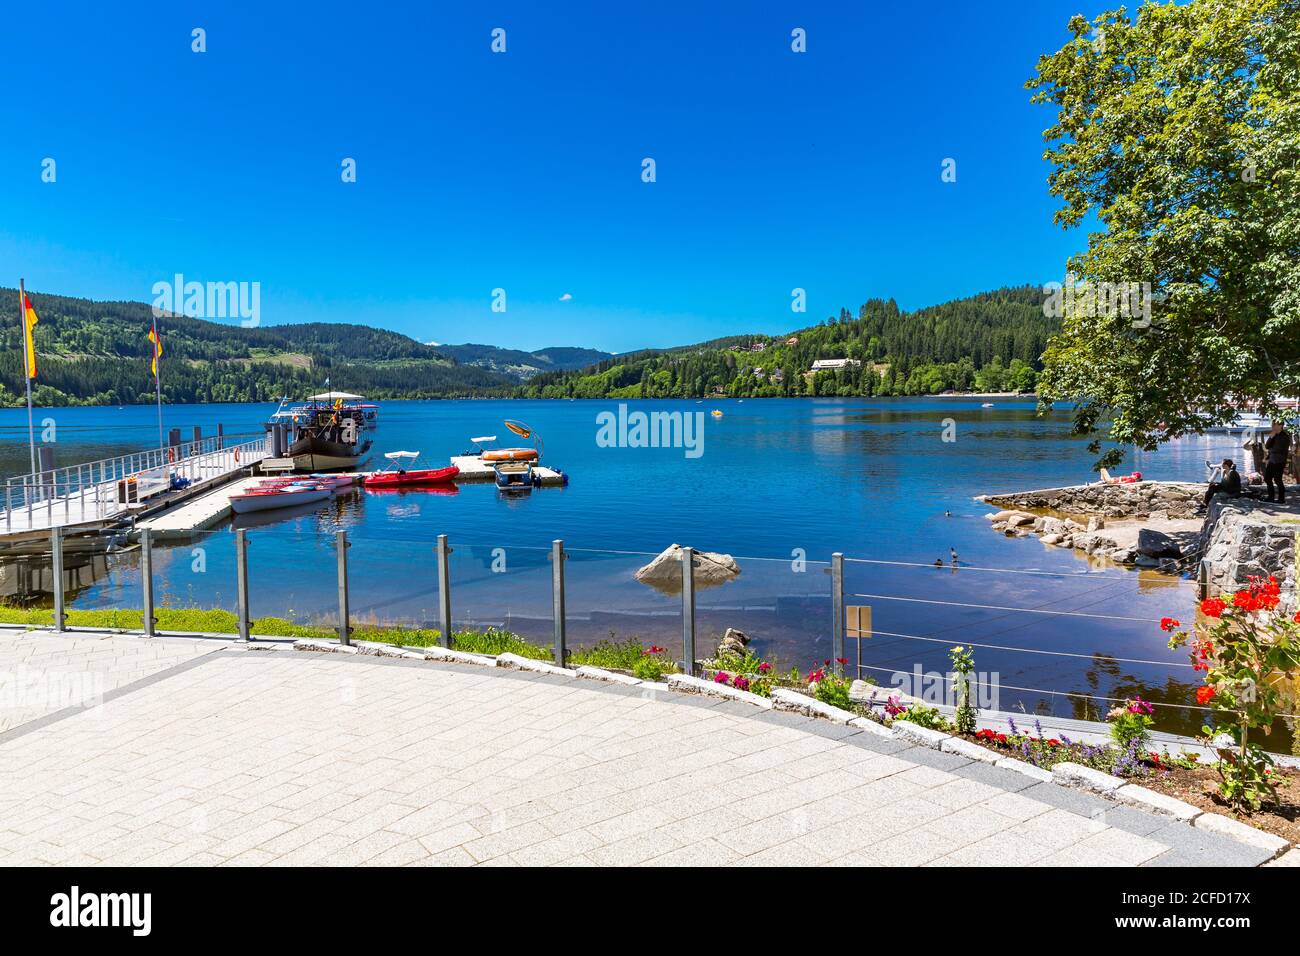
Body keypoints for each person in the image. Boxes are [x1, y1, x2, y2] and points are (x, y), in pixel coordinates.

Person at [1264, 421, 1291, 503]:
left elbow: (1279, 449)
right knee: (1267, 478)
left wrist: (1271, 450)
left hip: (1280, 460)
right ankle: (1271, 497)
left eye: (1275, 425)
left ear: (1281, 426)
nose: (1273, 426)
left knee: (1277, 480)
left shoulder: (1285, 436)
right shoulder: (1274, 435)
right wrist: (1271, 437)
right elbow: (1267, 446)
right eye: (1272, 425)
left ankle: (1281, 499)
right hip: (1272, 460)